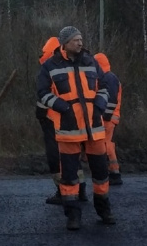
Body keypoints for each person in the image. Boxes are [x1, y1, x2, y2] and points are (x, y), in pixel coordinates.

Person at [37, 26, 114, 230]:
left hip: (94, 129)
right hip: (68, 129)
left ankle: (104, 210)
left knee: (101, 174)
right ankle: (73, 216)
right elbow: (42, 92)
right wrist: (62, 107)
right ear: (64, 43)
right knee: (69, 177)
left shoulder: (91, 62)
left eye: (81, 39)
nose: (80, 43)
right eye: (75, 40)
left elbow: (104, 86)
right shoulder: (50, 66)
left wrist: (99, 105)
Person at [36, 37, 88, 205]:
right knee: (72, 156)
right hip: (65, 121)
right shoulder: (65, 67)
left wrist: (41, 113)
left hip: (53, 122)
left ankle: (63, 191)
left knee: (57, 158)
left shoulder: (50, 68)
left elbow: (45, 96)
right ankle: (81, 189)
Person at [94, 52, 123, 186]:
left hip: (108, 117)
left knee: (106, 145)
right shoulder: (108, 77)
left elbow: (110, 100)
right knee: (107, 144)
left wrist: (105, 116)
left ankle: (114, 174)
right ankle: (113, 172)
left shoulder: (108, 78)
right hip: (110, 117)